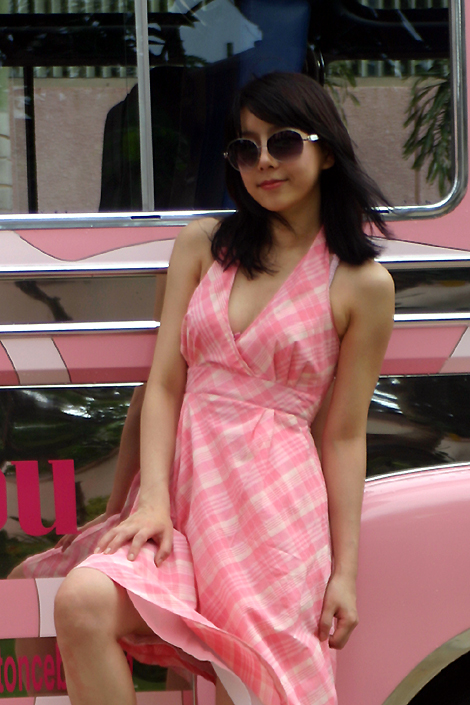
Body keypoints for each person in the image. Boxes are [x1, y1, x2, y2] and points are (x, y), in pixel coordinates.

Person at [14, 72, 395, 705]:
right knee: (82, 602)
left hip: (273, 515)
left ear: (327, 151)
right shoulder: (202, 245)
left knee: (248, 685)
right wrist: (146, 501)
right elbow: (164, 385)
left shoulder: (362, 284)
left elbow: (344, 436)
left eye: (283, 142)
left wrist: (345, 573)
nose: (264, 161)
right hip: (180, 502)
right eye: (246, 148)